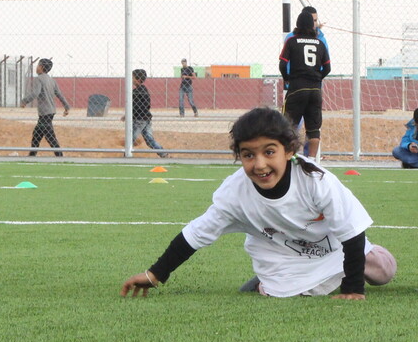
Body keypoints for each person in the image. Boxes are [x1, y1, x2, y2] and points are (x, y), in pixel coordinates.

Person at [119, 107, 395, 300]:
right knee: (281, 293)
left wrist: (353, 287)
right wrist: (155, 275)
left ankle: (349, 268)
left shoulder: (316, 180)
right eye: (248, 155)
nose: (259, 164)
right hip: (280, 255)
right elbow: (196, 234)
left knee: (384, 272)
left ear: (288, 151)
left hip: (334, 248)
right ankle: (267, 284)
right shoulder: (234, 192)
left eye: (269, 152)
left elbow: (352, 231)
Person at [279, 9, 330, 158]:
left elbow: (282, 64)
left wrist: (287, 78)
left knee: (289, 126)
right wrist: (317, 78)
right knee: (313, 129)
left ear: (297, 25)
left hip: (296, 88)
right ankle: (312, 160)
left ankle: (289, 157)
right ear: (312, 26)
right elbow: (327, 67)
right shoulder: (320, 43)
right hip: (315, 90)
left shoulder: (292, 41)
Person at [28, 58, 69, 157]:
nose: (36, 68)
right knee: (37, 134)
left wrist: (24, 101)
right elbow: (59, 94)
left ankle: (60, 156)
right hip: (50, 112)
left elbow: (35, 93)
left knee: (50, 136)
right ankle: (32, 155)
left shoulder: (38, 79)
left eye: (38, 65)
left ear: (41, 67)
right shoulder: (52, 80)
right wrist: (66, 106)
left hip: (45, 113)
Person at [129, 69, 168, 158]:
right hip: (146, 118)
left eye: (133, 77)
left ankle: (126, 155)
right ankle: (163, 153)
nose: (131, 79)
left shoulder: (137, 91)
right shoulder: (142, 90)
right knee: (149, 140)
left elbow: (140, 105)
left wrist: (132, 114)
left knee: (130, 138)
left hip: (140, 119)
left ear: (138, 80)